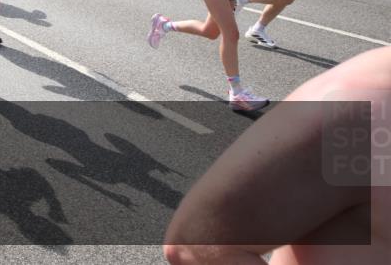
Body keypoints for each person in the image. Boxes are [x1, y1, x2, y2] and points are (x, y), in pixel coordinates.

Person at [164, 46, 391, 264]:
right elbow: (195, 244)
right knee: (224, 33)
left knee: (224, 32)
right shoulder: (362, 103)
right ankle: (234, 88)